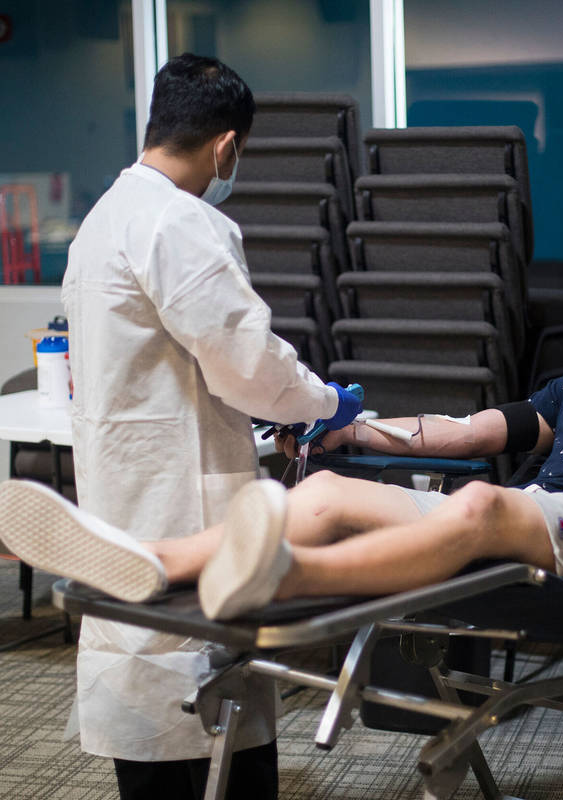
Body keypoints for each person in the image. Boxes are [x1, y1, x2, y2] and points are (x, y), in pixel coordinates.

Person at [0, 238, 563, 633]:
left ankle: (279, 578)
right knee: (333, 489)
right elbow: (468, 431)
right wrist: (357, 428)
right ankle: (151, 563)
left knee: (482, 506)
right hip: (530, 524)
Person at [48, 53, 361, 800]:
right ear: (226, 145)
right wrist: (325, 404)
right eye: (238, 154)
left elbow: (181, 367)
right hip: (181, 490)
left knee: (148, 671)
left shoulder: (102, 218)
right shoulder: (179, 221)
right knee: (204, 688)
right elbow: (246, 361)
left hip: (124, 479)